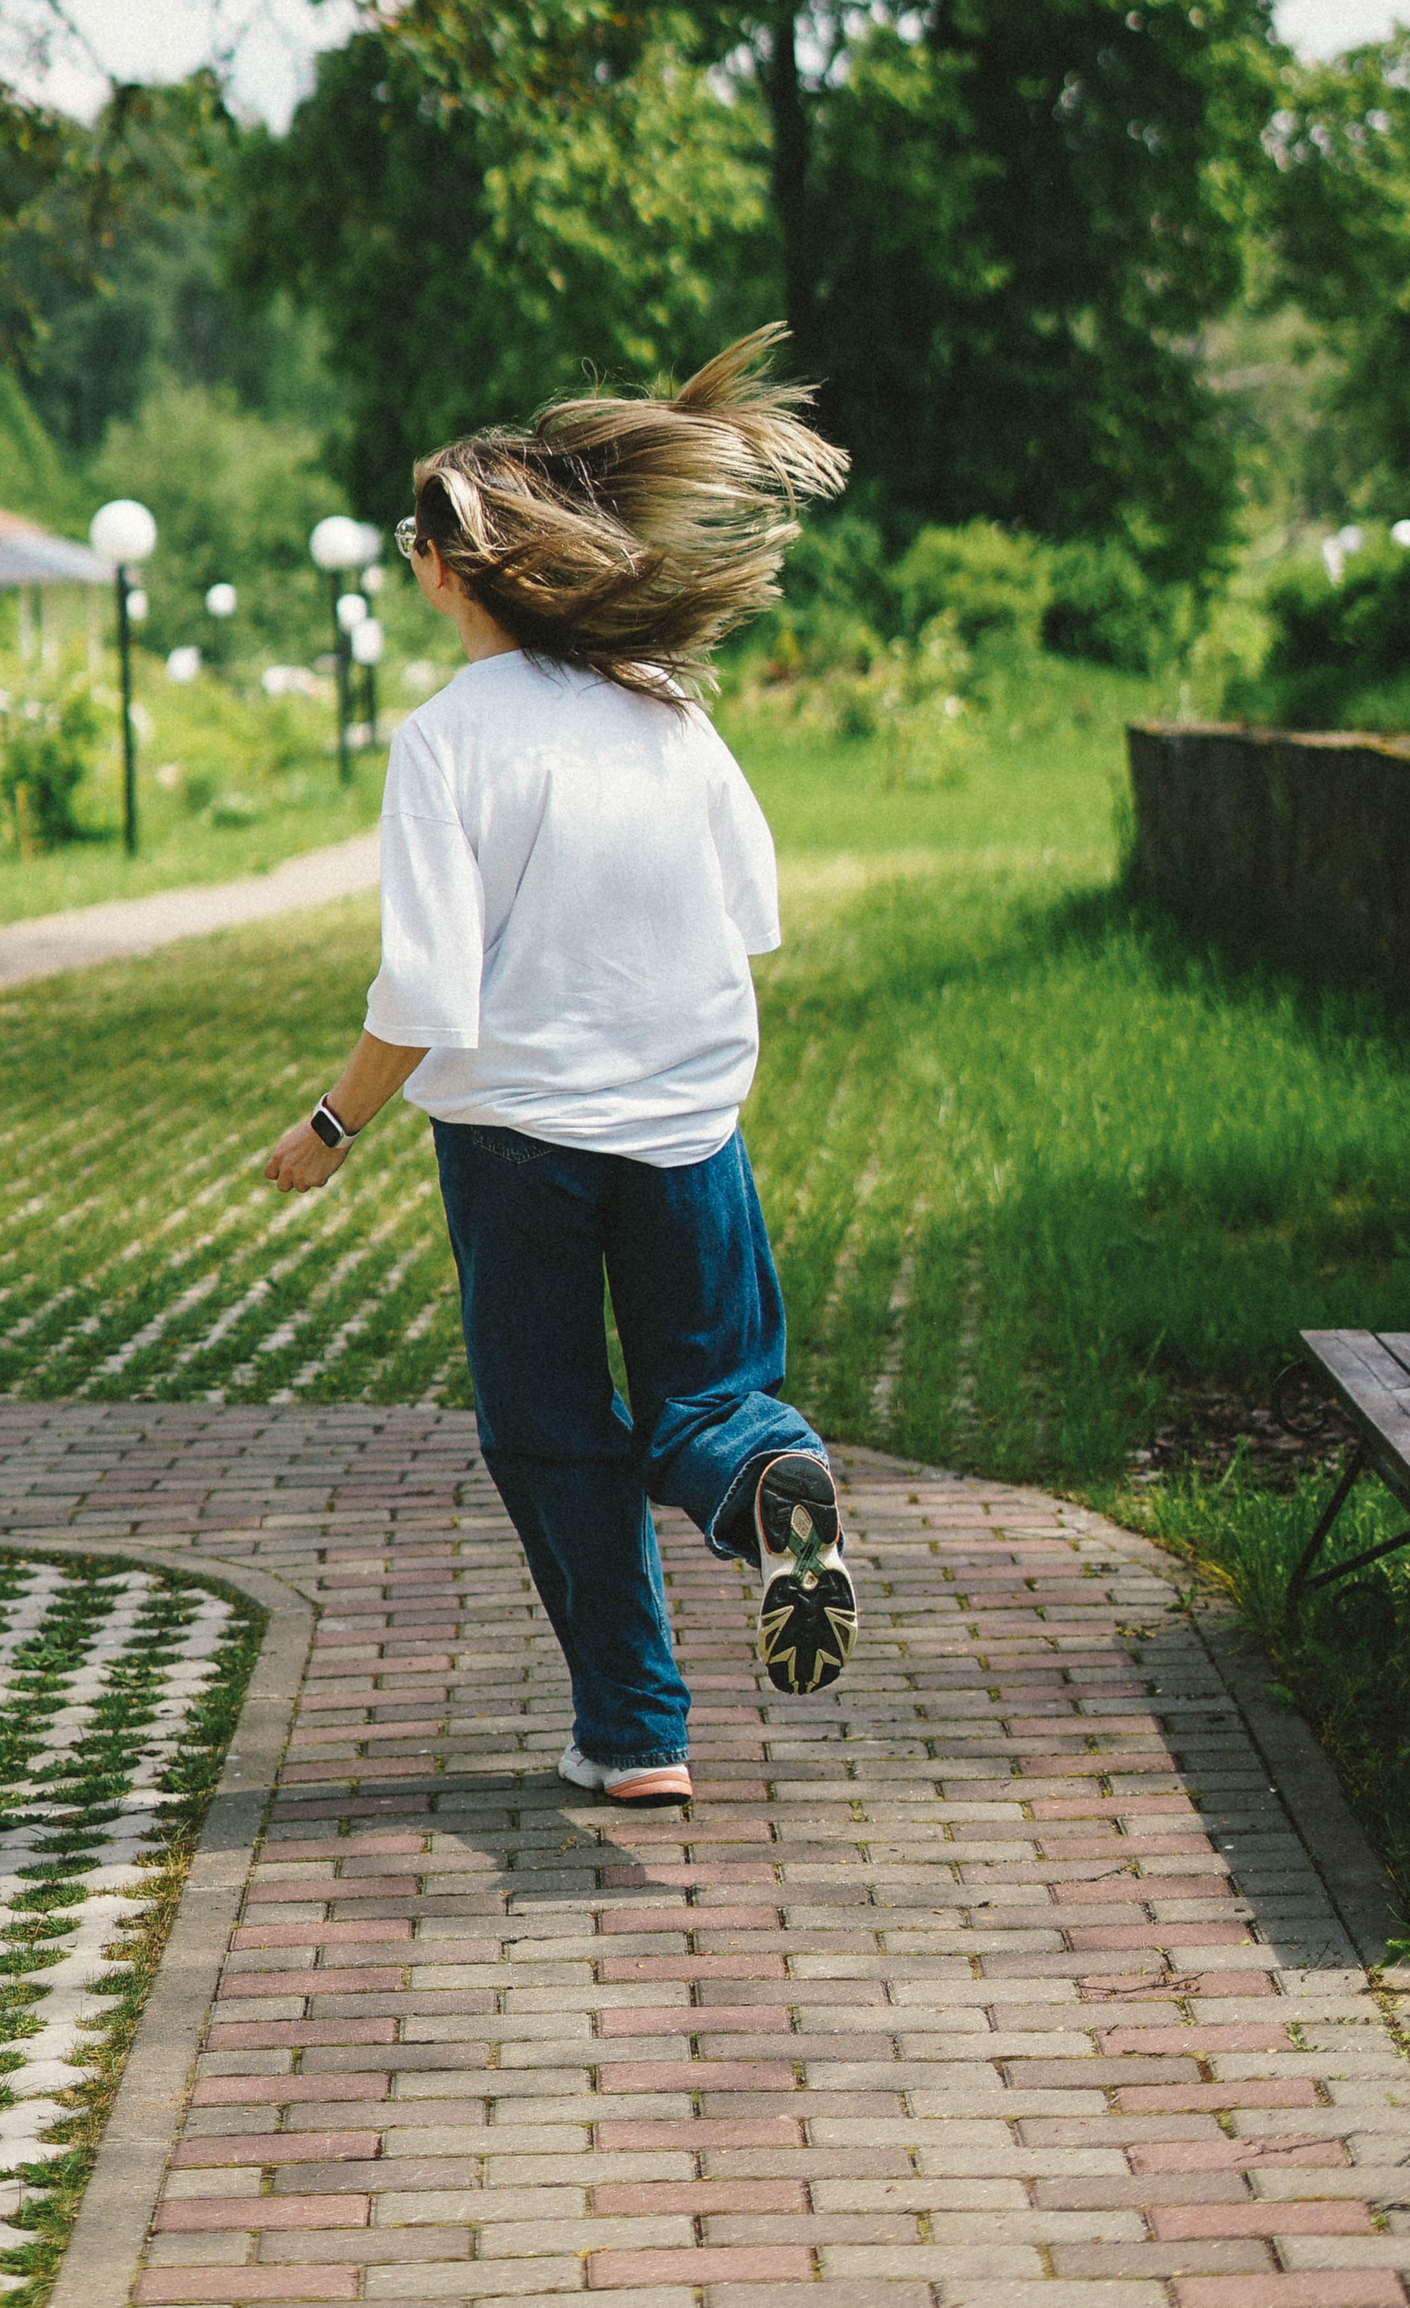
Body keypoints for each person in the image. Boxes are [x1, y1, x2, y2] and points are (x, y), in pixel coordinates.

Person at [263, 332, 853, 1809]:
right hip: (685, 1119)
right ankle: (761, 1482)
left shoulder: (445, 741)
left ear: (450, 569)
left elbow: (426, 988)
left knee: (554, 1433)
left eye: (417, 538)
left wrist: (332, 1124)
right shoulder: (669, 709)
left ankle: (640, 1733)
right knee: (710, 1397)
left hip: (516, 1141)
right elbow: (754, 913)